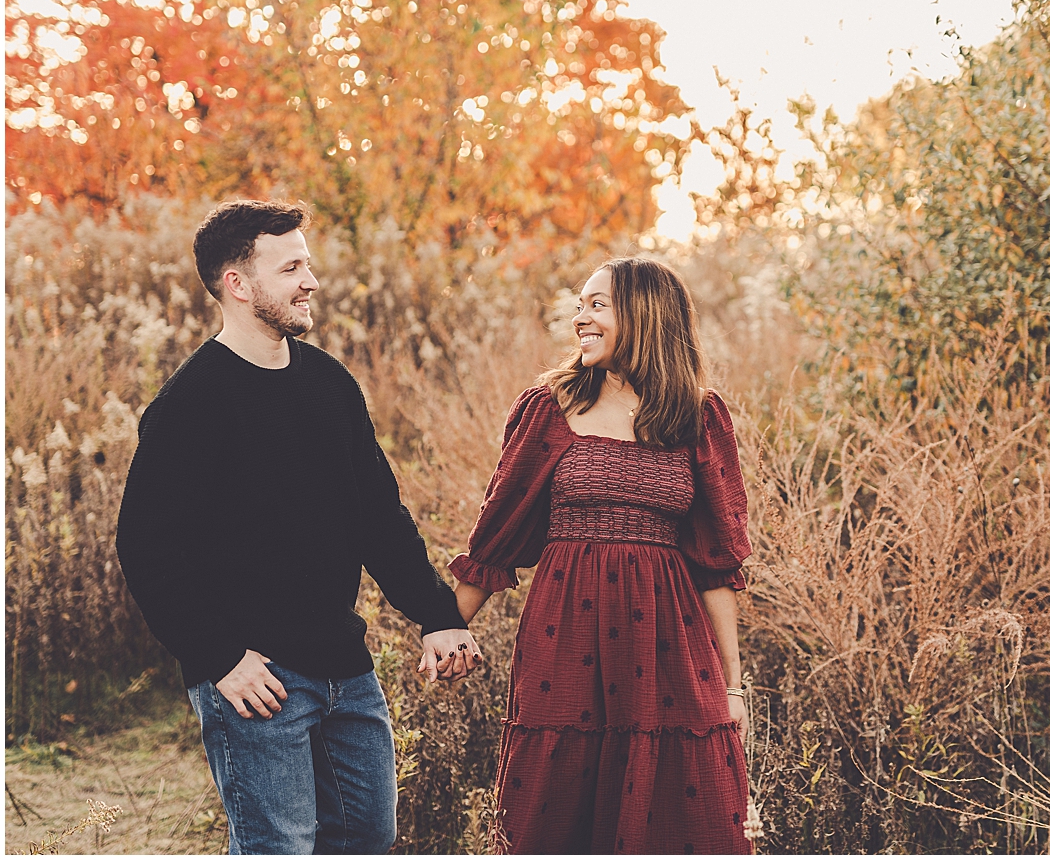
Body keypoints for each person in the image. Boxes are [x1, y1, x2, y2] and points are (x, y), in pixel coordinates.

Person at [116, 199, 481, 855]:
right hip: (257, 681)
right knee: (276, 847)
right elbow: (147, 546)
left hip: (347, 669)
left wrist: (437, 613)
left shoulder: (330, 385)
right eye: (290, 267)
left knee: (366, 840)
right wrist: (217, 657)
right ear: (238, 283)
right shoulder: (190, 402)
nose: (310, 279)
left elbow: (379, 516)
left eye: (307, 263)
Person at [449, 257, 753, 854]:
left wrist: (733, 687)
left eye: (596, 306)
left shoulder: (698, 415)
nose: (579, 318)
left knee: (684, 811)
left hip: (668, 645)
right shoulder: (549, 408)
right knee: (554, 807)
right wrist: (442, 629)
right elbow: (497, 540)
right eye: (579, 305)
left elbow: (714, 563)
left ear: (644, 316)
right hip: (567, 638)